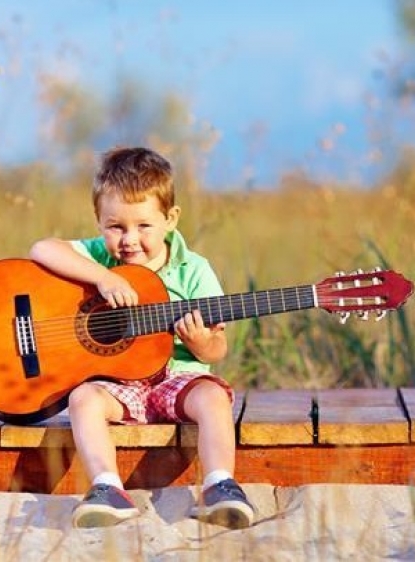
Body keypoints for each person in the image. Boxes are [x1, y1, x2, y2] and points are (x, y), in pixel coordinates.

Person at [28, 146, 255, 529]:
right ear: (99, 221)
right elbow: (41, 249)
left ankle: (220, 484)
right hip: (119, 385)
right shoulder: (101, 258)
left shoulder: (193, 270)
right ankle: (106, 486)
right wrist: (102, 277)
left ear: (171, 219)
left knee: (214, 396)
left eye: (143, 226)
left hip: (177, 378)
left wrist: (201, 343)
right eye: (115, 226)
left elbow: (218, 346)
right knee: (83, 398)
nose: (129, 239)